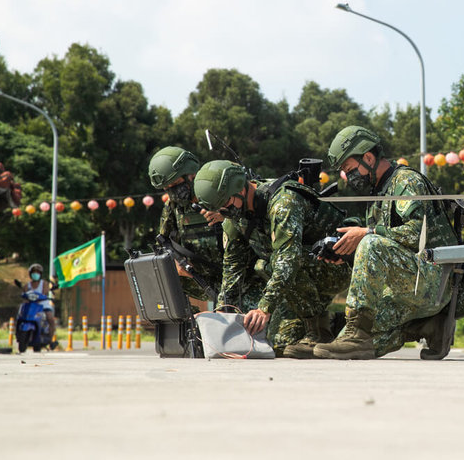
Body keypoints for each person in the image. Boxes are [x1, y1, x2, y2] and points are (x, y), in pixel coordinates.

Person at [313, 126, 460, 360]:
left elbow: (414, 234)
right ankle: (432, 326)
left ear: (369, 158)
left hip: (433, 281)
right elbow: (390, 242)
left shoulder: (405, 181)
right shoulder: (380, 191)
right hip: (412, 284)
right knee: (359, 343)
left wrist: (365, 234)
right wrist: (345, 251)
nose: (349, 178)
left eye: (350, 170)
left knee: (370, 243)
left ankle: (359, 331)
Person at [193, 160, 351, 358]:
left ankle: (319, 332)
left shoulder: (283, 202)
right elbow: (233, 267)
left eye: (225, 206)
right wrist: (220, 313)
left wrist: (264, 308)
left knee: (270, 263)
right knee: (278, 345)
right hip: (296, 279)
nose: (224, 213)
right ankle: (335, 324)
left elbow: (288, 260)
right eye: (220, 210)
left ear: (239, 189)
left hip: (335, 268)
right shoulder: (236, 215)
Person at [148, 147, 223, 305]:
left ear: (191, 175)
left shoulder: (220, 194)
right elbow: (161, 244)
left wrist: (227, 216)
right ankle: (189, 325)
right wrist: (174, 264)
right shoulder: (173, 206)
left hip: (238, 276)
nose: (173, 192)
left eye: (175, 184)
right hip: (200, 278)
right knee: (161, 280)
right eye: (167, 188)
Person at [17, 263, 58, 350]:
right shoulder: (27, 285)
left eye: (37, 272)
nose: (35, 274)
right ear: (30, 274)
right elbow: (24, 295)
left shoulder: (44, 283)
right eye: (33, 272)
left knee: (50, 318)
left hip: (42, 304)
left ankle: (51, 340)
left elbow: (44, 293)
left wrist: (41, 297)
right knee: (20, 315)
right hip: (31, 305)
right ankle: (18, 334)